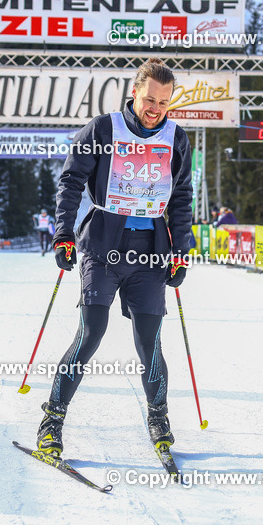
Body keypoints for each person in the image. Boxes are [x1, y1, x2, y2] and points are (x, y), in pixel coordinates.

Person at [39, 57, 193, 458]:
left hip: (150, 252)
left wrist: (182, 252)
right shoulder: (105, 128)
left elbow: (180, 198)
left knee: (149, 341)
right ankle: (52, 420)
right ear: (135, 93)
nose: (154, 108)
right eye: (149, 99)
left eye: (163, 101)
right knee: (91, 333)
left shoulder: (177, 139)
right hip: (103, 246)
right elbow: (71, 181)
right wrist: (63, 234)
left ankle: (158, 418)